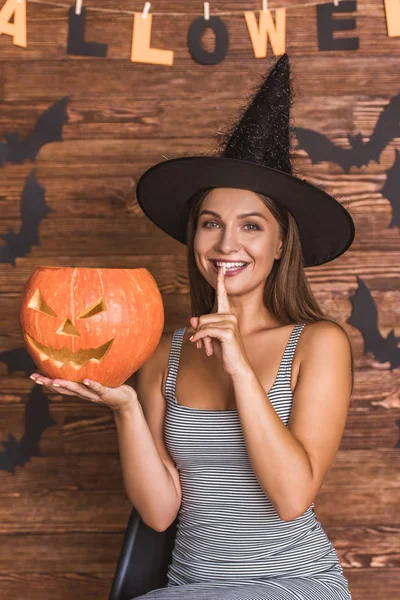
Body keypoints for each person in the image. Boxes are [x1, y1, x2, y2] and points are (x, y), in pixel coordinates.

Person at [29, 54, 355, 599]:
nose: (227, 244)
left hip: (292, 584)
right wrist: (127, 409)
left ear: (279, 246)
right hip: (188, 589)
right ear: (195, 238)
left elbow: (292, 495)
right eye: (211, 224)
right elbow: (160, 513)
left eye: (251, 226)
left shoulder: (318, 343)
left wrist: (239, 369)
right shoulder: (162, 354)